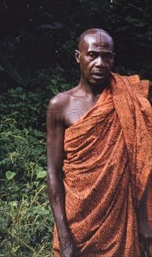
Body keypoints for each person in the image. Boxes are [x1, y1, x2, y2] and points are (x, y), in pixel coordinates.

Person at [46, 28, 152, 256]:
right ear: (78, 56)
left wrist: (143, 220)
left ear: (113, 59)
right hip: (77, 220)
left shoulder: (128, 100)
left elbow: (142, 164)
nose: (100, 63)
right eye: (92, 55)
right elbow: (53, 172)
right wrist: (64, 238)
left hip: (120, 221)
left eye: (107, 56)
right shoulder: (60, 105)